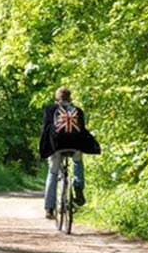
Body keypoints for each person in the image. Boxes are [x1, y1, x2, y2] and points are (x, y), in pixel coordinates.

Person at [39, 86, 101, 220]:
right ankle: (78, 186)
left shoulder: (50, 110)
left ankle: (49, 209)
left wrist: (44, 149)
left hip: (57, 148)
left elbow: (45, 130)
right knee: (78, 162)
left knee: (53, 173)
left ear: (56, 99)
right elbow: (82, 132)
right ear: (70, 98)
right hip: (75, 147)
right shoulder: (78, 111)